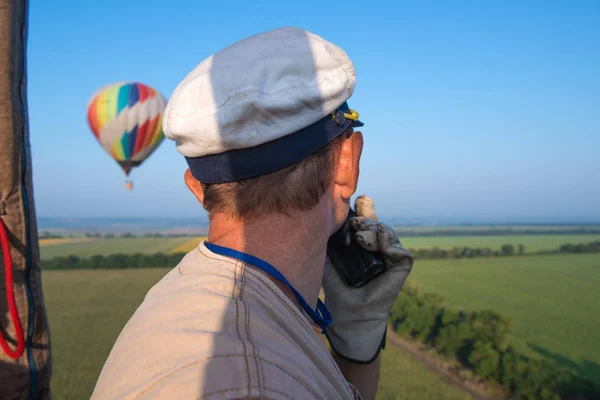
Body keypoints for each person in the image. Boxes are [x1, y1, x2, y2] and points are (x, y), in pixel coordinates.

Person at [91, 26, 414, 400]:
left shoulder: (174, 297)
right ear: (347, 163)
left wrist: (355, 347)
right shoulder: (255, 381)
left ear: (196, 188)